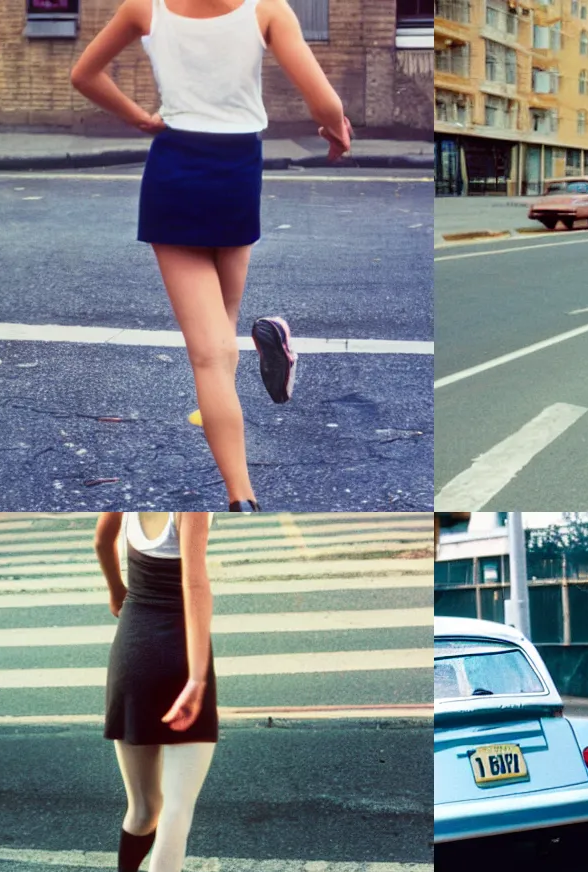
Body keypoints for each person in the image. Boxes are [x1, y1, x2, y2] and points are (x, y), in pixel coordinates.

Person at [70, 0, 354, 512]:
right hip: (236, 173)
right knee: (217, 342)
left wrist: (140, 118)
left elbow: (84, 75)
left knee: (209, 354)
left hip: (173, 169)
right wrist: (336, 131)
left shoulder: (144, 8)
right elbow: (324, 101)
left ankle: (241, 498)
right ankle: (274, 348)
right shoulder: (268, 10)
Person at [94, 513, 220, 872]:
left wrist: (116, 591)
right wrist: (197, 677)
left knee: (144, 806)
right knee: (177, 809)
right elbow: (194, 583)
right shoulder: (189, 507)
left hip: (131, 648)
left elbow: (102, 540)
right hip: (178, 654)